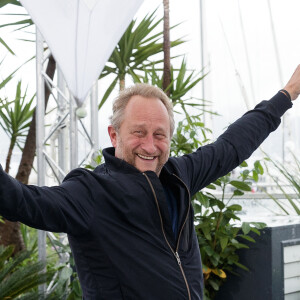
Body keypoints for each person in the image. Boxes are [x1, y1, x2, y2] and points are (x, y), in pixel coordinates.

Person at [1, 65, 300, 300]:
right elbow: (24, 201)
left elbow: (231, 146)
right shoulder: (91, 193)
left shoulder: (178, 176)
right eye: (138, 133)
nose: (150, 145)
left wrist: (286, 94)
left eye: (159, 135)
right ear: (114, 135)